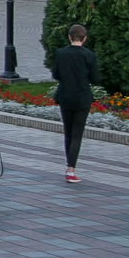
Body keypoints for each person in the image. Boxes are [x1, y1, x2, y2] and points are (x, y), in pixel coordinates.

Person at [51, 23, 100, 183]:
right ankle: (71, 170)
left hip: (65, 96)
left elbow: (56, 75)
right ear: (84, 38)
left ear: (69, 37)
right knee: (77, 133)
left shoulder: (60, 53)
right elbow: (95, 79)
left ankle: (69, 167)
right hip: (82, 97)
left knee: (68, 131)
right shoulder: (89, 55)